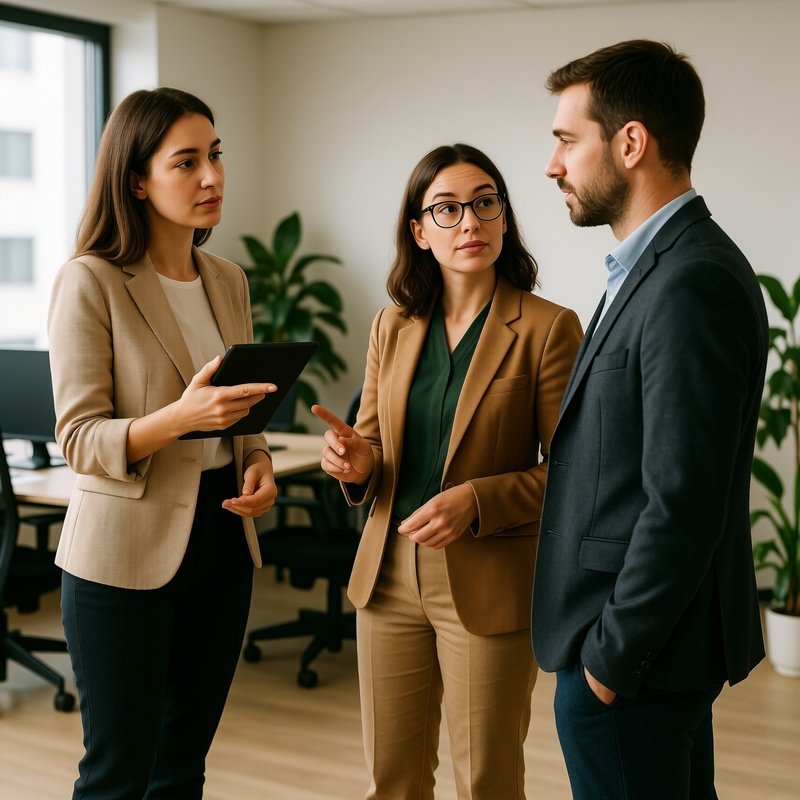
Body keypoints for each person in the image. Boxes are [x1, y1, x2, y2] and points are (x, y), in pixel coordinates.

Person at [531, 40, 769, 800]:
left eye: (568, 140)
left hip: (632, 659)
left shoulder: (689, 280)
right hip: (641, 653)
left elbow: (683, 503)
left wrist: (607, 664)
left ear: (631, 142)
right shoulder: (656, 265)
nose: (552, 164)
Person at [312, 143, 583, 799]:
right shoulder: (392, 326)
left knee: (486, 779)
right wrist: (355, 461)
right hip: (387, 578)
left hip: (488, 579)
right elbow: (374, 447)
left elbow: (575, 475)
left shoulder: (548, 328)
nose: (471, 222)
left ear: (504, 217)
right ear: (418, 230)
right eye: (448, 209)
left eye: (486, 203)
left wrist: (478, 499)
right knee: (393, 779)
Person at [48, 87, 279, 799]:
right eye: (186, 162)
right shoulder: (91, 280)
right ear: (137, 180)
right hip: (123, 556)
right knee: (118, 775)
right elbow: (80, 439)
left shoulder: (227, 279)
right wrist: (181, 418)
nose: (211, 177)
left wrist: (260, 462)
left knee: (182, 766)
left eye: (215, 156)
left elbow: (237, 416)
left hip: (219, 542)